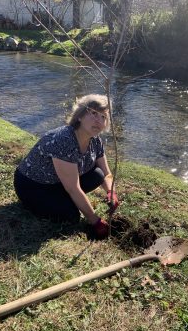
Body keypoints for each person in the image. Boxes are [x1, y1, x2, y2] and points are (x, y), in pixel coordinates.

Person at [14, 94, 119, 239]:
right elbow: (73, 188)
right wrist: (95, 221)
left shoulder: (95, 141)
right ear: (80, 116)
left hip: (57, 183)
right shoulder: (64, 140)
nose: (99, 120)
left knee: (98, 175)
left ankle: (63, 200)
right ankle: (37, 203)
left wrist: (111, 192)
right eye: (94, 113)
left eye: (103, 117)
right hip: (33, 186)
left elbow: (107, 174)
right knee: (70, 215)